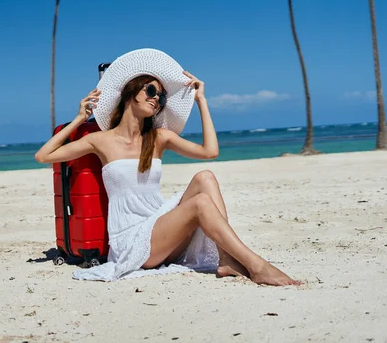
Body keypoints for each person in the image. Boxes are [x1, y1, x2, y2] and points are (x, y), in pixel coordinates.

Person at [35, 48, 300, 286]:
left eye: (160, 97)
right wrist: (79, 119)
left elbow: (210, 152)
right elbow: (44, 156)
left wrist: (201, 101)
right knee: (200, 205)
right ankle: (258, 266)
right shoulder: (100, 141)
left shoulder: (159, 137)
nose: (156, 99)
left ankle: (226, 259)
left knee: (205, 177)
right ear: (130, 92)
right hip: (132, 241)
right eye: (150, 91)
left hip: (161, 228)